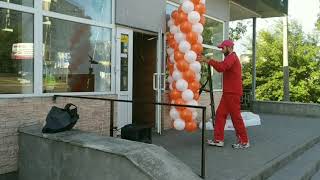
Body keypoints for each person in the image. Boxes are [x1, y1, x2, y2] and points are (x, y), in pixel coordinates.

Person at [198, 39, 250, 149]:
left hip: (232, 93)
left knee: (236, 118)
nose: (221, 50)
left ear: (229, 47)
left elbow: (221, 67)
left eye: (223, 48)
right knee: (220, 115)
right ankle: (218, 140)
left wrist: (208, 60)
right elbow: (222, 66)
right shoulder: (229, 57)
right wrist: (209, 61)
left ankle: (244, 141)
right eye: (221, 48)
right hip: (228, 93)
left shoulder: (232, 57)